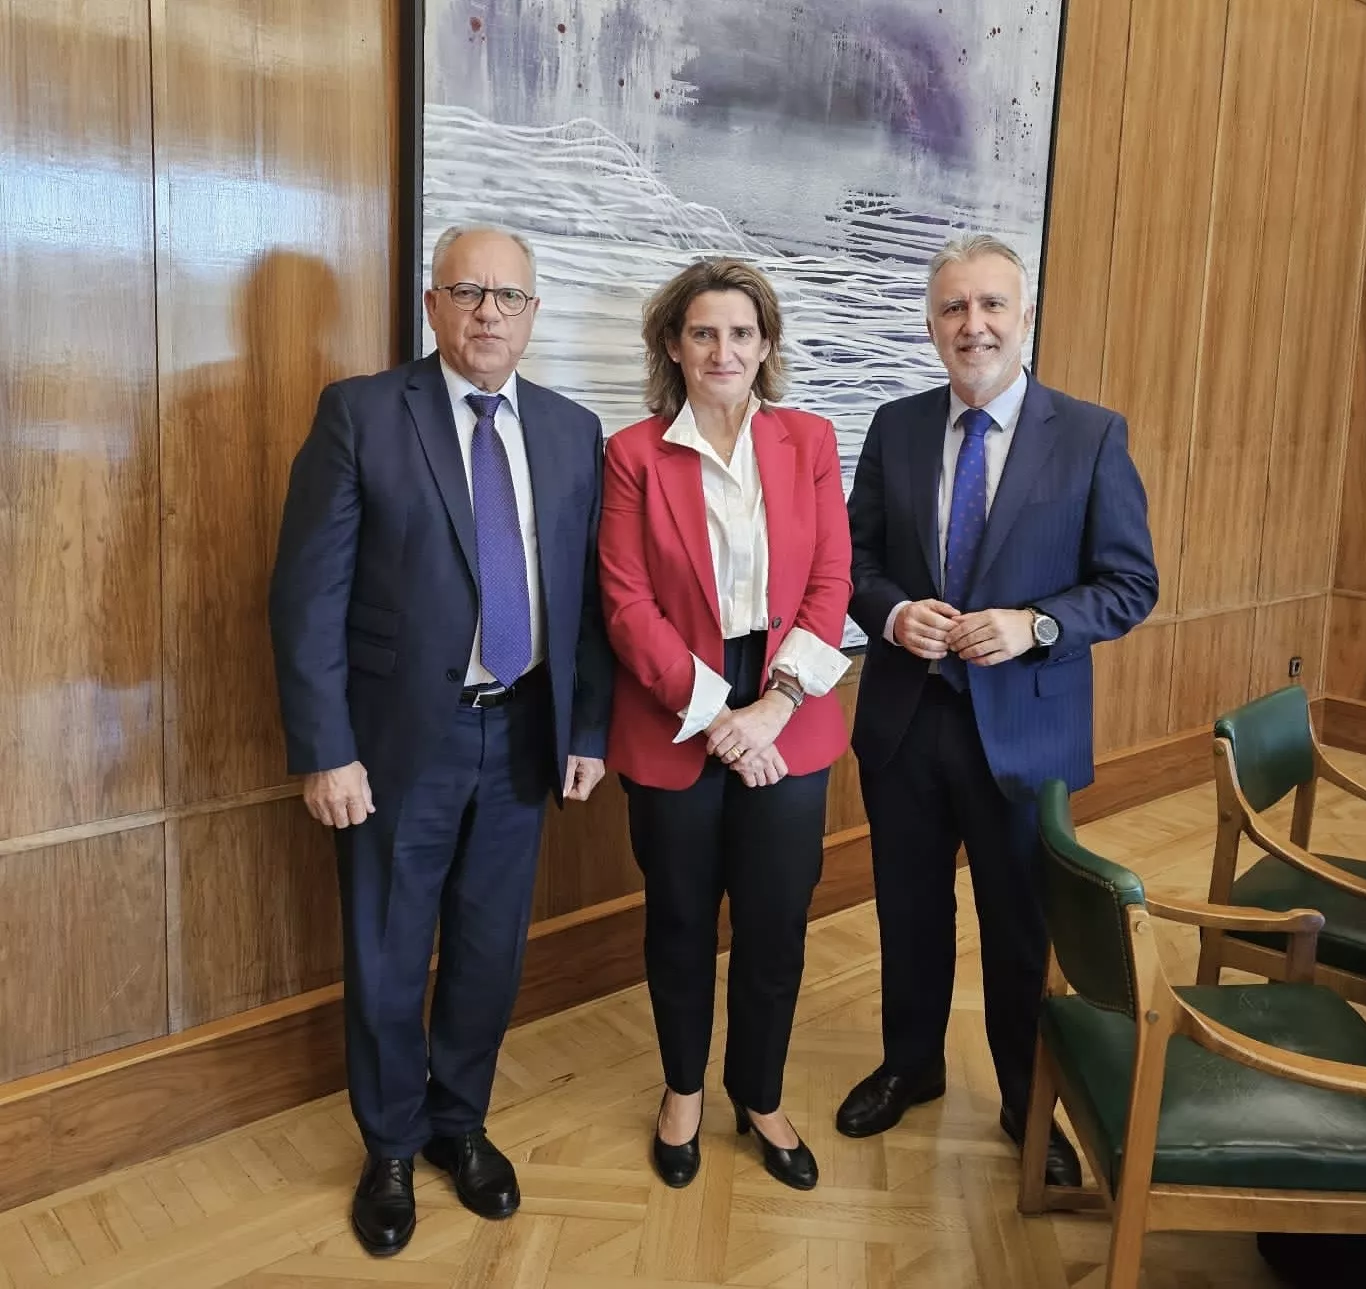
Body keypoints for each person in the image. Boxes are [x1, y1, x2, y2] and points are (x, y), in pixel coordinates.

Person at [268, 224, 613, 1256]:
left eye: (509, 296)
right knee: (384, 949)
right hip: (393, 748)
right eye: (468, 291)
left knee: (486, 948)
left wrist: (586, 726)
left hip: (520, 737)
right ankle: (388, 1142)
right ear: (433, 304)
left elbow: (586, 600)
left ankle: (458, 1119)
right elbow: (305, 597)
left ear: (534, 313)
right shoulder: (363, 414)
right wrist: (326, 748)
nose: (489, 312)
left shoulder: (571, 428)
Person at [836, 234, 1158, 1186]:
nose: (971, 326)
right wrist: (892, 612)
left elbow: (1130, 584)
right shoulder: (893, 426)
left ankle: (1027, 1096)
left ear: (1025, 318)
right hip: (906, 721)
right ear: (931, 323)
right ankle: (911, 1065)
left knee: (1019, 926)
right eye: (952, 309)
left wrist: (1036, 624)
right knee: (908, 911)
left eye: (990, 307)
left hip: (1024, 727)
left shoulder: (1093, 435)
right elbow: (850, 566)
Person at [599, 258, 852, 1192]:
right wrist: (719, 717)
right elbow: (626, 605)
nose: (723, 349)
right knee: (678, 920)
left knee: (777, 920)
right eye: (703, 332)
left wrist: (775, 707)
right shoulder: (632, 455)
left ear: (766, 347)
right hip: (676, 710)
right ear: (674, 344)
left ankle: (759, 1091)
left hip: (790, 700)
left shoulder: (810, 440)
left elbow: (832, 582)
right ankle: (681, 1091)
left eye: (742, 333)